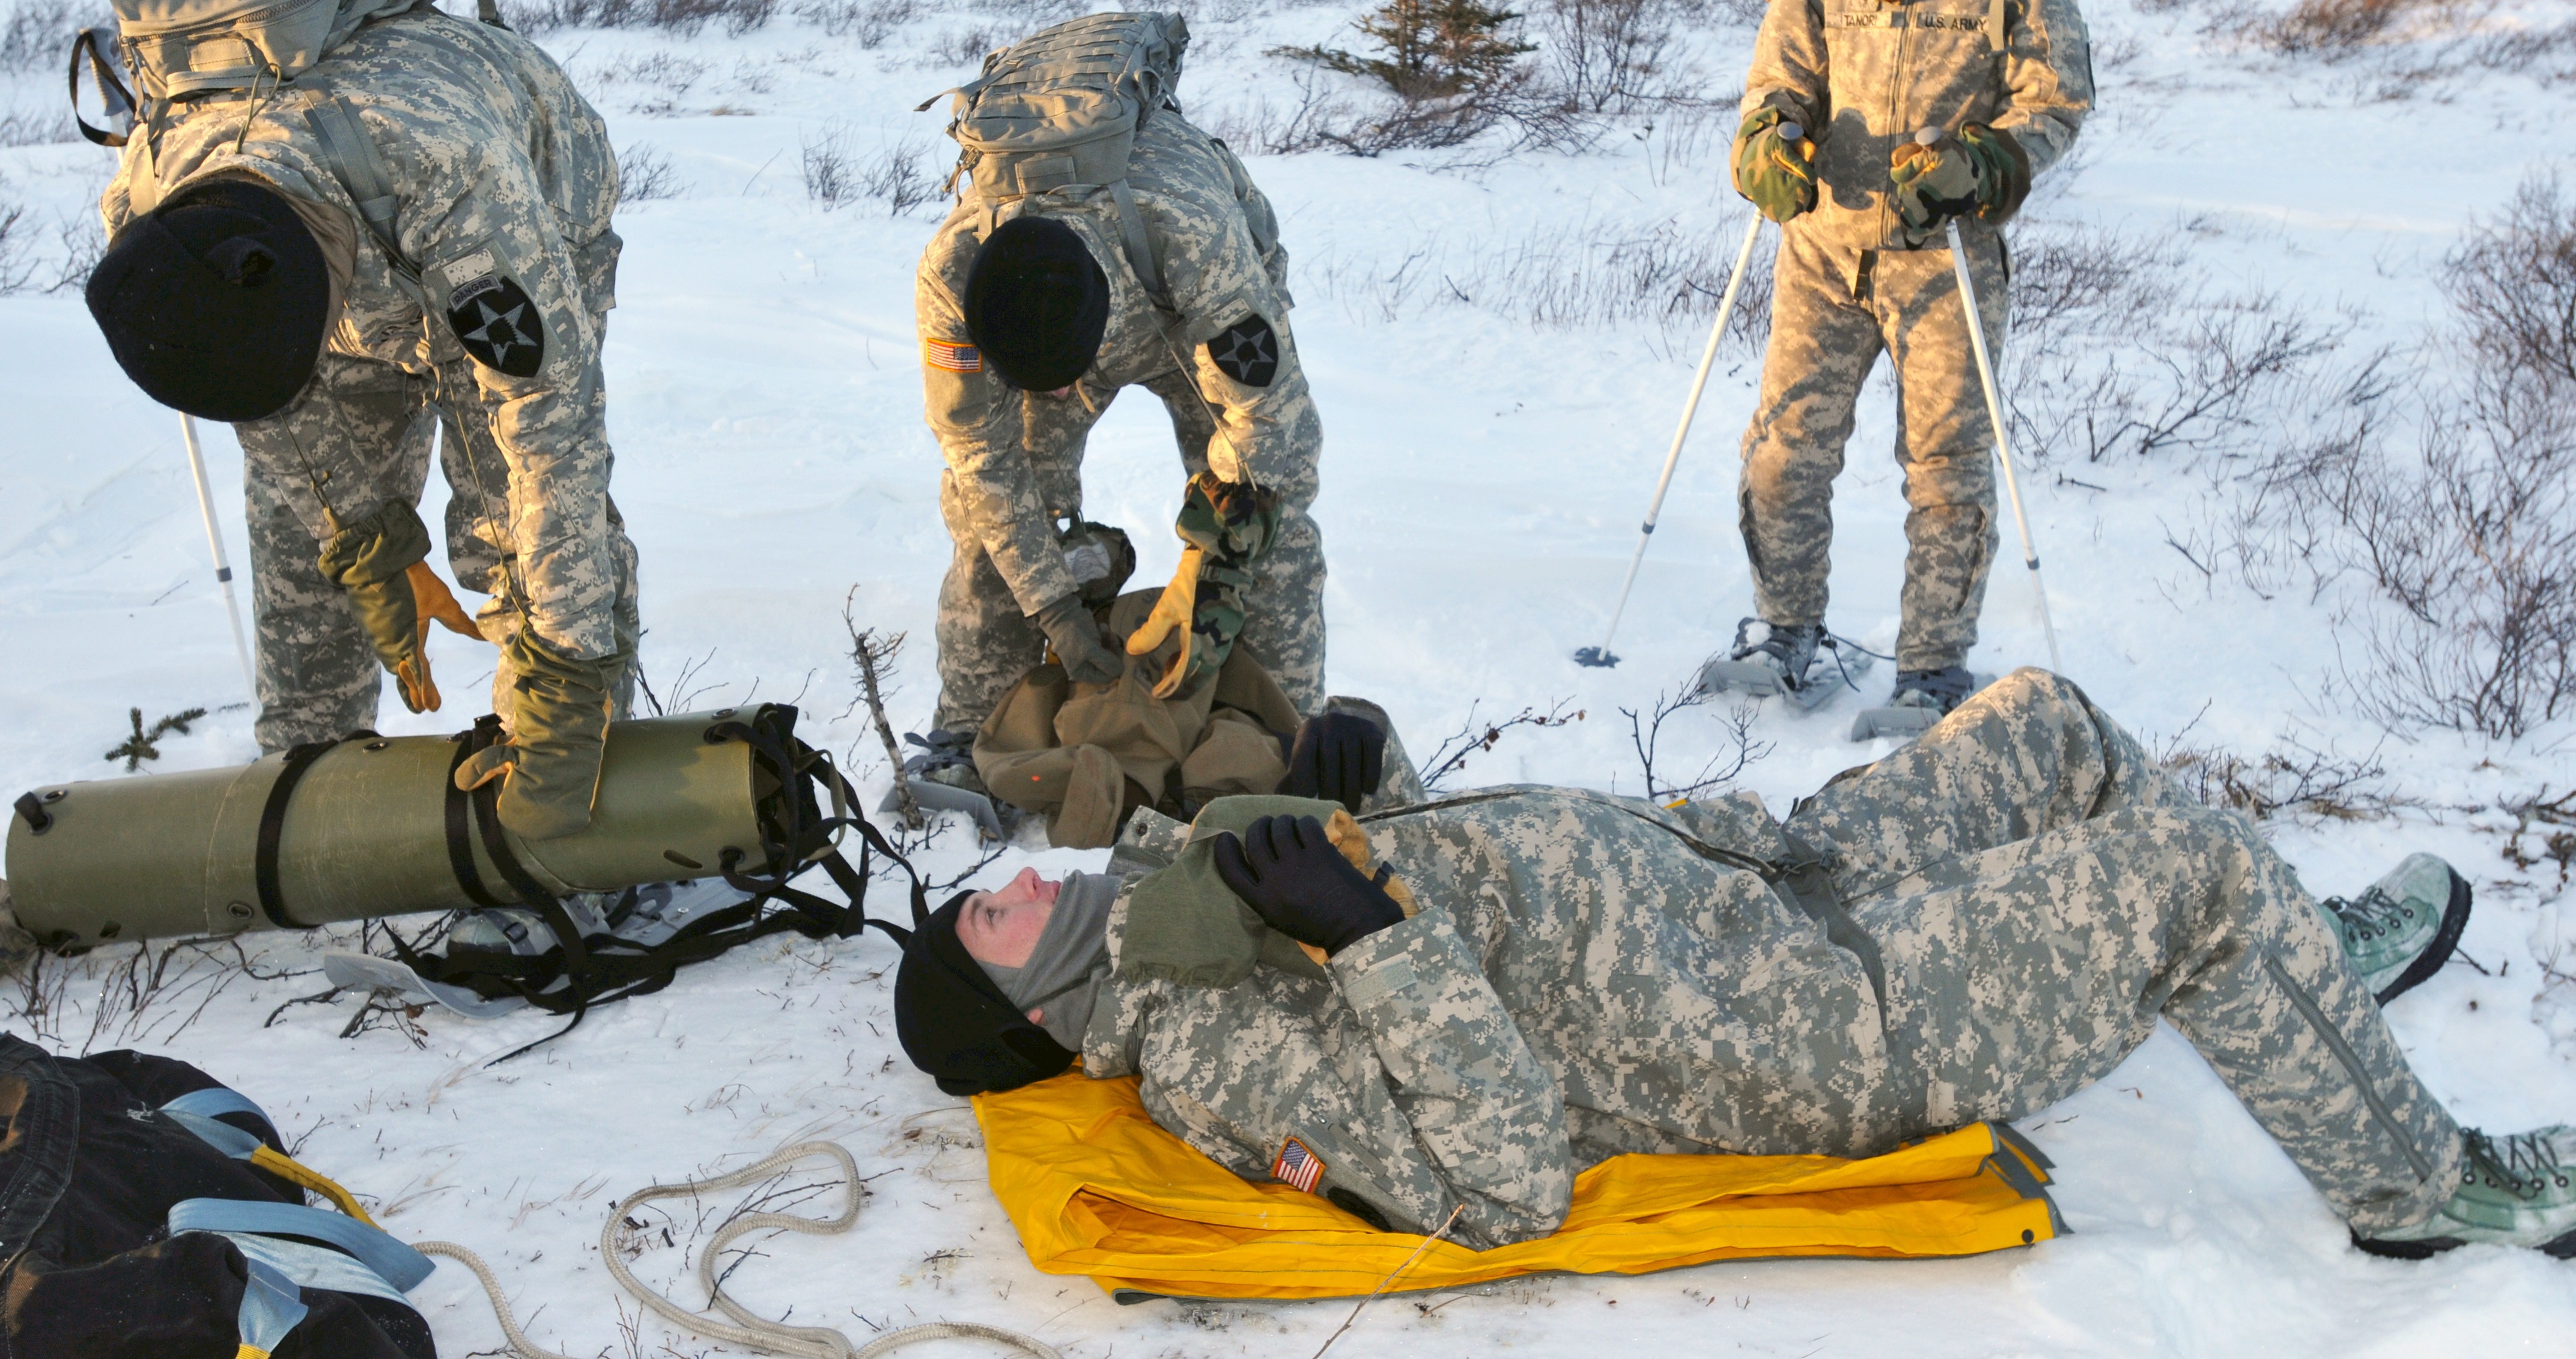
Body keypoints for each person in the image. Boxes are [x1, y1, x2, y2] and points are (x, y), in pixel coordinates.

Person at [891, 670, 2573, 1262]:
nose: (1016, 876)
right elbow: (1494, 1181)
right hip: (1808, 1028)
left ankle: (2300, 993)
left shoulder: (1182, 893)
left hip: (1760, 882)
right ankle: (2420, 1189)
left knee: (2046, 723)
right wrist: (1374, 942)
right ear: (1032, 1013)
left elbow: (1471, 902)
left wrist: (1366, 787)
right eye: (990, 915)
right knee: (2186, 878)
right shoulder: (1203, 1061)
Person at [84, 6, 636, 840]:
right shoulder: (154, 219)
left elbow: (552, 436)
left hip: (502, 219)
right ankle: (305, 808)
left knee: (508, 531)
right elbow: (260, 400)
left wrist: (563, 677)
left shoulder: (456, 186)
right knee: (307, 547)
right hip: (324, 252)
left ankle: (572, 808)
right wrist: (364, 535)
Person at [1718, 0, 2093, 719]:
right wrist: (1768, 144)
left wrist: (1982, 165)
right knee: (1781, 451)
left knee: (1946, 468)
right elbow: (1776, 86)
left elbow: (2052, 105)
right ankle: (1783, 629)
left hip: (1944, 262)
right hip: (1821, 249)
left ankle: (1929, 668)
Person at [913, 29, 1326, 753]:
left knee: (1267, 525)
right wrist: (1057, 613)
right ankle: (973, 736)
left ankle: (1282, 737)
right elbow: (983, 458)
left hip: (1175, 319)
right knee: (991, 523)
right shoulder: (951, 275)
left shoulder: (1194, 243)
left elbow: (1272, 430)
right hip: (1059, 321)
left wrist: (1207, 565)